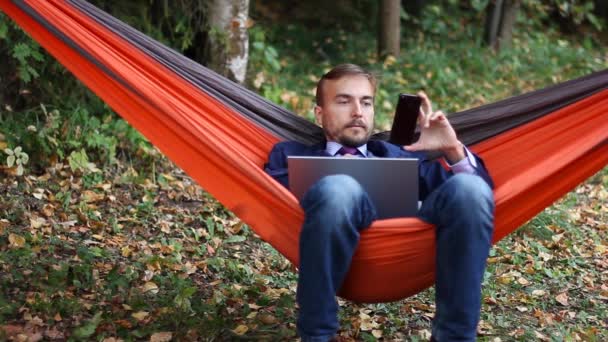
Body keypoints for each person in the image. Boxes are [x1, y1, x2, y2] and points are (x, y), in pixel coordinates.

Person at [264, 64, 495, 342]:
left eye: (366, 102)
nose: (358, 112)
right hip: (332, 228)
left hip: (404, 245)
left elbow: (477, 195)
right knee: (339, 187)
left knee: (468, 189)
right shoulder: (289, 154)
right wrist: (334, 170)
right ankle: (316, 336)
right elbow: (271, 196)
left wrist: (452, 149)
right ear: (319, 114)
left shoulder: (400, 154)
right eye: (343, 101)